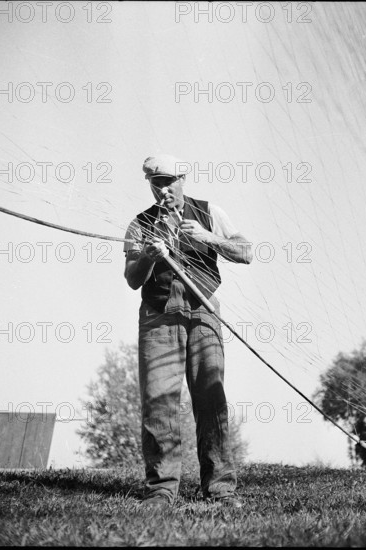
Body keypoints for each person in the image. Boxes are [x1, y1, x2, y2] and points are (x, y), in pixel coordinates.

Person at [123, 154, 252, 508]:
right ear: (149, 184)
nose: (163, 189)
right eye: (156, 183)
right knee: (159, 401)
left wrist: (209, 237)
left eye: (169, 181)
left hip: (204, 313)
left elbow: (246, 252)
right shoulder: (140, 224)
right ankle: (161, 490)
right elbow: (133, 279)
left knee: (211, 399)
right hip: (158, 318)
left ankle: (221, 490)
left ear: (183, 179)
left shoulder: (210, 211)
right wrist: (150, 255)